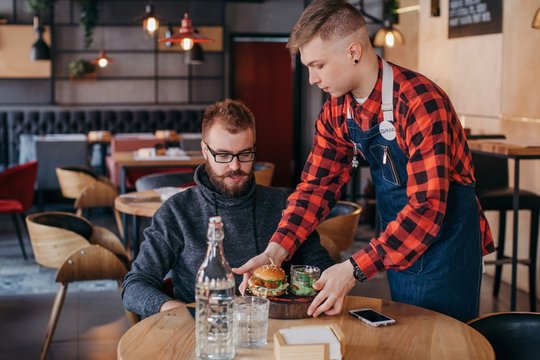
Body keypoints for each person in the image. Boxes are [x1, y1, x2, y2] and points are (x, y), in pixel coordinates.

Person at [233, 0, 494, 322]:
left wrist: (354, 268)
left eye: (318, 65)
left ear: (353, 52)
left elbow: (427, 207)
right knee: (408, 338)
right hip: (398, 240)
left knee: (446, 342)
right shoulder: (336, 111)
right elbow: (316, 187)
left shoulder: (419, 102)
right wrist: (275, 253)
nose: (312, 79)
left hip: (445, 243)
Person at [122, 99, 335, 317]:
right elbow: (134, 285)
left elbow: (320, 266)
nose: (235, 167)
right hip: (204, 333)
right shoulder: (177, 211)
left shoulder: (283, 205)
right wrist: (180, 312)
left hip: (272, 329)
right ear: (205, 150)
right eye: (223, 155)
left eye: (244, 154)